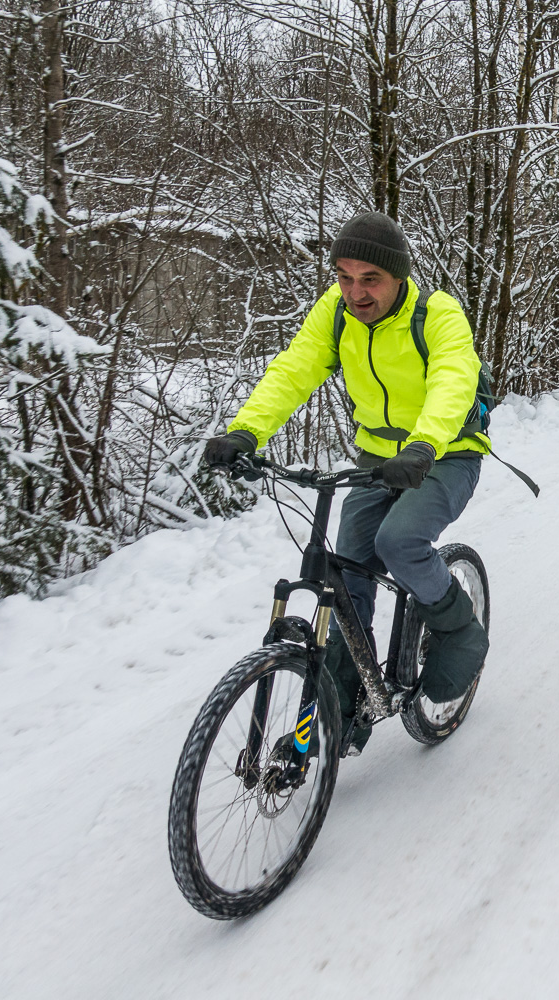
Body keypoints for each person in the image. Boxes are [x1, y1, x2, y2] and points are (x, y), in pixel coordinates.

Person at [203, 211, 488, 747]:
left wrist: (425, 445)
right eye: (343, 276)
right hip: (375, 462)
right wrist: (245, 433)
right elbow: (294, 369)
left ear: (399, 276)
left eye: (369, 279)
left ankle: (457, 626)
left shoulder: (438, 315)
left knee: (399, 541)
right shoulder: (334, 315)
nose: (355, 292)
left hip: (446, 453)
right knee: (346, 574)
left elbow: (454, 379)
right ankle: (344, 697)